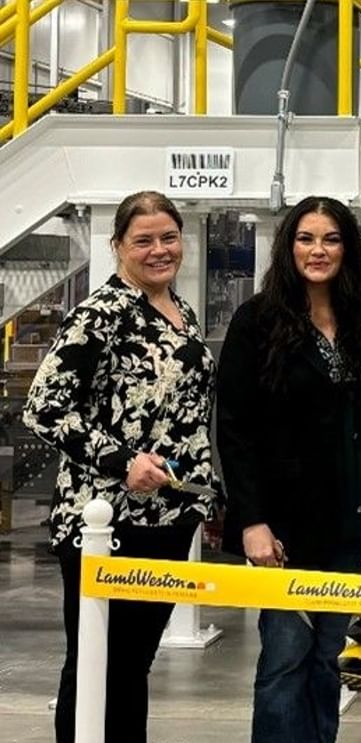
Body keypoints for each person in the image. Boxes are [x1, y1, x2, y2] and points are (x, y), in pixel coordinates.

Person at [23, 190, 220, 743]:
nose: (159, 250)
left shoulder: (183, 312)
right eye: (144, 241)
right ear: (118, 247)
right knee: (94, 661)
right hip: (105, 522)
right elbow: (44, 409)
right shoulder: (99, 315)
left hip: (169, 518)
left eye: (168, 238)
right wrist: (121, 461)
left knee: (133, 664)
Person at [216, 196, 361, 742]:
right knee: (285, 659)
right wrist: (251, 520)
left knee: (327, 660)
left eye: (331, 239)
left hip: (349, 522)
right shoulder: (257, 321)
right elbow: (235, 430)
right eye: (306, 238)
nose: (318, 251)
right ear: (288, 246)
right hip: (283, 528)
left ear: (349, 249)